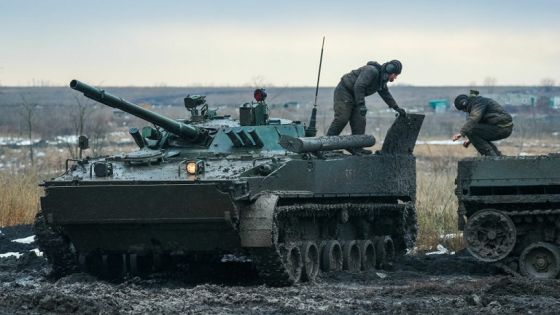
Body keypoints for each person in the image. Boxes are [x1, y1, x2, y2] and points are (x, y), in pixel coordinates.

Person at [326, 60, 407, 155]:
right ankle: (326, 146)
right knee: (342, 118)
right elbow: (359, 86)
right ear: (390, 70)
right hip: (344, 91)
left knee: (360, 120)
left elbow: (386, 94)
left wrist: (396, 107)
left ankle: (356, 147)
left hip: (356, 95)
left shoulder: (381, 80)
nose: (395, 77)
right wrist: (361, 104)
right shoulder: (371, 71)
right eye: (395, 74)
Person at [452, 91, 513, 156]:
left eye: (463, 110)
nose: (464, 111)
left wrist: (461, 133)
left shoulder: (478, 103)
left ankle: (491, 157)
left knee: (470, 129)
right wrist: (470, 140)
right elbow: (479, 129)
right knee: (471, 130)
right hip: (502, 127)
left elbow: (474, 118)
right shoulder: (476, 104)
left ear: (464, 105)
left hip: (502, 127)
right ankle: (497, 156)